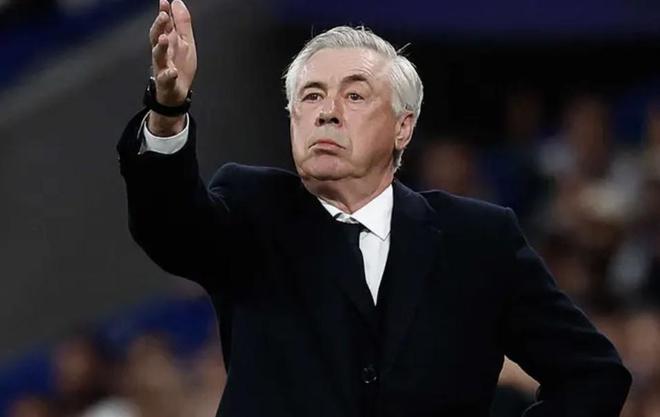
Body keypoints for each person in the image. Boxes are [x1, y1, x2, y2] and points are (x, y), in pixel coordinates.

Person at [117, 1, 631, 415]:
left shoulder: (478, 239)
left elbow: (592, 373)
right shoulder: (253, 207)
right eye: (311, 97)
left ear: (403, 127)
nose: (327, 112)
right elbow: (169, 228)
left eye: (355, 96)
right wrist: (167, 109)